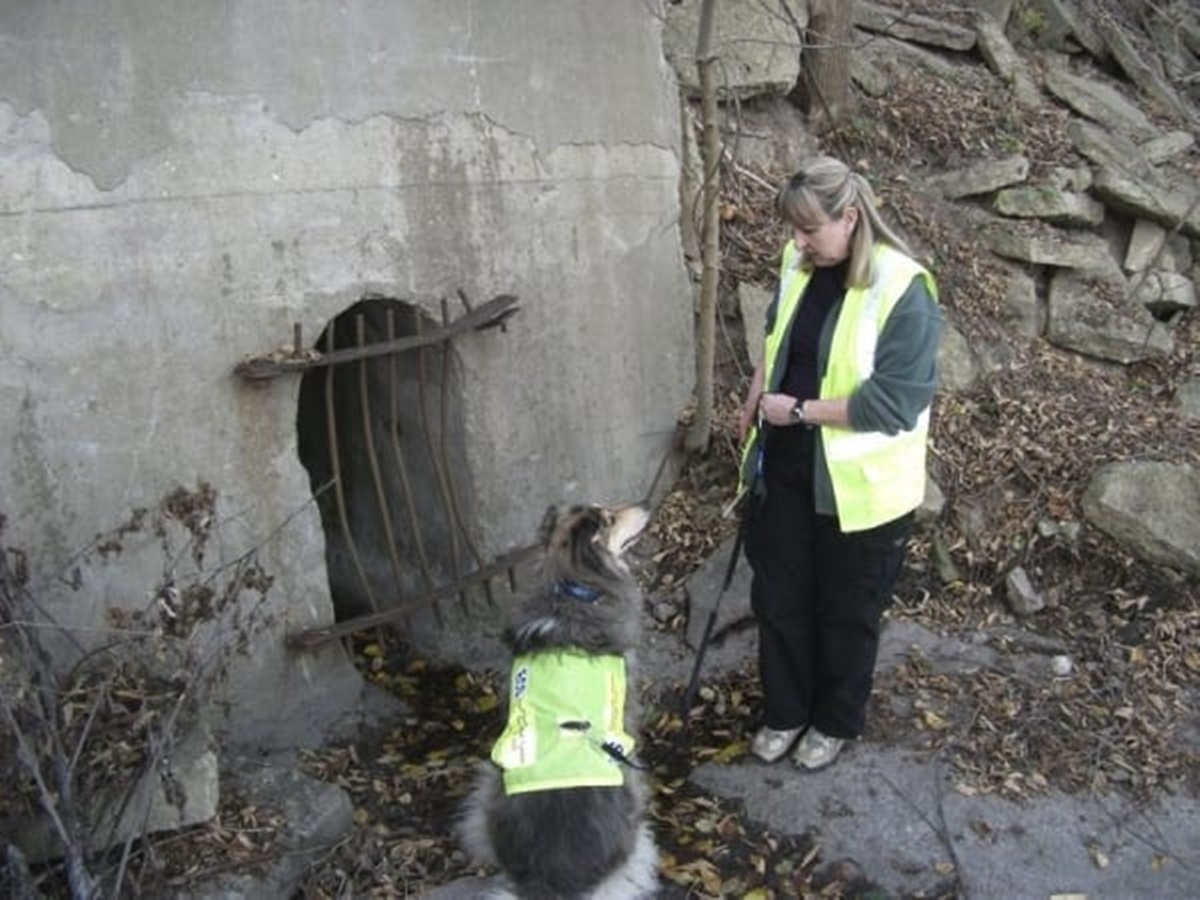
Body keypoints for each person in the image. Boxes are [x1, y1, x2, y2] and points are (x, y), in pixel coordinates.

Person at [736, 155, 942, 772]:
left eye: (810, 231)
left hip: (863, 490)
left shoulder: (903, 288)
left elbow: (894, 403)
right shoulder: (798, 261)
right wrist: (754, 394)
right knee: (780, 597)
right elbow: (777, 339)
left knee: (847, 612)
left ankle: (833, 721)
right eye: (793, 231)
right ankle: (787, 710)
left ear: (850, 218)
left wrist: (796, 410)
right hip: (785, 468)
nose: (797, 243)